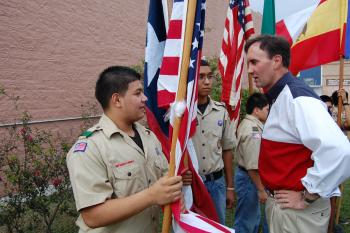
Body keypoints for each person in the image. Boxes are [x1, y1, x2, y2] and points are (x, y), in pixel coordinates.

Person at [245, 34, 350, 233]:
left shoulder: (297, 98)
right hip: (287, 209)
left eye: (254, 62)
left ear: (276, 61)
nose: (250, 70)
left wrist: (308, 195)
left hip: (297, 214)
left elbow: (340, 151)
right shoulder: (281, 96)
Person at [66, 66, 183, 233]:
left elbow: (162, 180)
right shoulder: (90, 148)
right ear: (117, 100)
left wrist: (171, 188)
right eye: (137, 93)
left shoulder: (148, 137)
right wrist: (151, 196)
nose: (145, 98)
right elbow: (92, 216)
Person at [191, 59, 235, 224]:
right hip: (192, 185)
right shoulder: (182, 113)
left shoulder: (220, 112)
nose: (207, 81)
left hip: (216, 183)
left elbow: (227, 150)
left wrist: (230, 187)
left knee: (217, 225)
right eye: (201, 77)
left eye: (210, 76)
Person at [234, 93, 269, 233]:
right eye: (267, 109)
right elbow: (253, 165)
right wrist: (261, 190)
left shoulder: (251, 124)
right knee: (246, 222)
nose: (268, 112)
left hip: (249, 178)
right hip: (250, 179)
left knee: (252, 218)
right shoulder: (253, 130)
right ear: (256, 110)